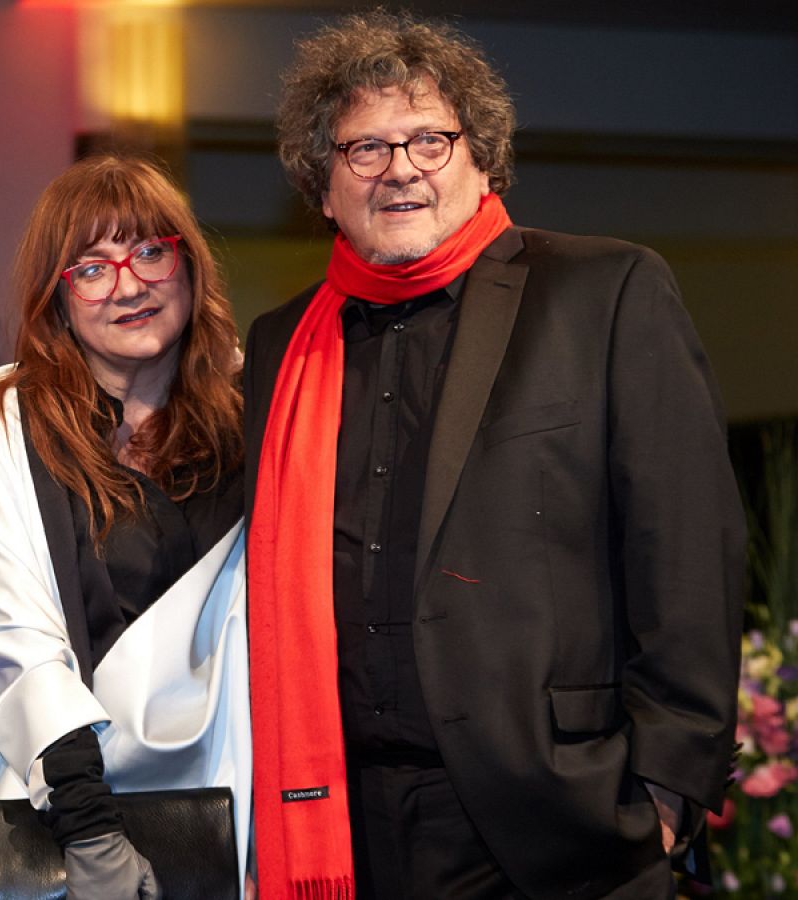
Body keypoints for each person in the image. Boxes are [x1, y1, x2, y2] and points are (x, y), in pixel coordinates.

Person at [243, 12, 745, 899]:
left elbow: (689, 550)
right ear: (322, 186)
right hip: (343, 821)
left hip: (564, 821)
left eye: (430, 140)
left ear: (484, 160)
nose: (400, 168)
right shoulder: (282, 345)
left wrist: (667, 792)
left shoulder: (603, 291)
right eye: (364, 149)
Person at [0, 155, 253, 898]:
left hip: (228, 808)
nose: (128, 285)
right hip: (59, 814)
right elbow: (13, 641)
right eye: (92, 267)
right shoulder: (8, 419)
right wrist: (91, 831)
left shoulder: (255, 418)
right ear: (58, 296)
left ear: (189, 265)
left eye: (150, 251)